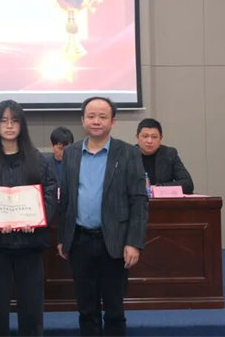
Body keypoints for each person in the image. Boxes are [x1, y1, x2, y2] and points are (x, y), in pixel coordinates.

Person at [57, 96, 149, 336]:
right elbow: (65, 199)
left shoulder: (128, 153)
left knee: (114, 309)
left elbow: (139, 200)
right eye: (91, 116)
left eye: (102, 117)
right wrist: (63, 238)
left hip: (115, 242)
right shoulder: (71, 153)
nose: (96, 121)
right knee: (86, 309)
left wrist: (134, 242)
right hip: (80, 241)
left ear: (113, 121)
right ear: (82, 120)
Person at [0, 100, 58, 336]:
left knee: (32, 311)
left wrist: (36, 220)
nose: (9, 126)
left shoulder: (37, 159)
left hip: (30, 246)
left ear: (22, 125)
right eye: (4, 121)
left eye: (14, 121)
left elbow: (50, 193)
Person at [135, 118, 195, 194]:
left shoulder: (169, 154)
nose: (149, 141)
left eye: (154, 137)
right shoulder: (128, 155)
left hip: (162, 200)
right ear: (137, 137)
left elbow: (188, 184)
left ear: (161, 138)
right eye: (145, 136)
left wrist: (158, 188)